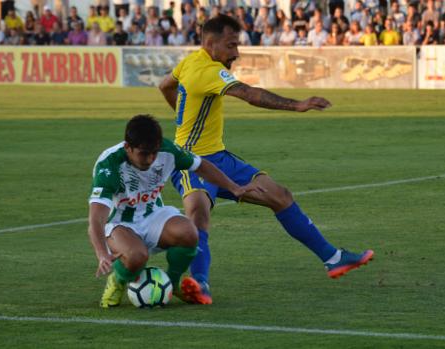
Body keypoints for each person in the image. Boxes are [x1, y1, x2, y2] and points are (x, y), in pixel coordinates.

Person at [158, 14, 374, 304]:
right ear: (210, 43)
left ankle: (333, 258)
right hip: (189, 160)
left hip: (219, 158)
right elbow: (250, 94)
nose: (236, 53)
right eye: (232, 45)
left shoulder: (190, 62)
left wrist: (183, 115)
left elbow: (164, 85)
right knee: (198, 214)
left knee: (280, 195)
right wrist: (297, 105)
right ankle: (199, 284)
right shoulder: (207, 71)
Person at [90, 115, 261, 308]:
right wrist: (102, 254)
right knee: (138, 256)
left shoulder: (167, 150)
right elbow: (96, 218)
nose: (151, 159)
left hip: (152, 214)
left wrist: (234, 187)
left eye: (154, 153)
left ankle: (172, 283)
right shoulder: (110, 164)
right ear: (128, 147)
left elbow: (201, 165)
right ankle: (118, 280)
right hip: (120, 223)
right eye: (144, 153)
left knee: (189, 232)